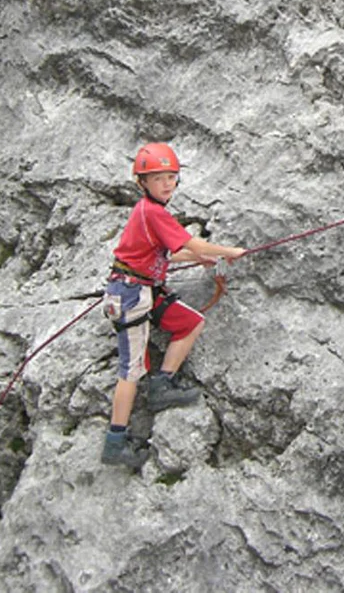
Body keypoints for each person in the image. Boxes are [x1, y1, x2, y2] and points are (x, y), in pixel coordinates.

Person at [100, 142, 245, 468]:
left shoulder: (149, 213)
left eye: (171, 177)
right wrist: (225, 251)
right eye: (158, 178)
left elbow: (171, 252)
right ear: (143, 183)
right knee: (131, 370)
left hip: (140, 290)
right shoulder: (152, 211)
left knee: (190, 322)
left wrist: (202, 258)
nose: (167, 184)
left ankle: (163, 383)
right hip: (131, 294)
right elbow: (188, 242)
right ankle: (115, 442)